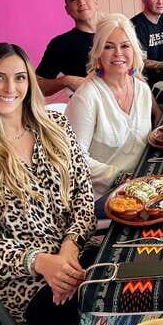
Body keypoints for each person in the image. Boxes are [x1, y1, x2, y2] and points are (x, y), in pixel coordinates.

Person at [0, 43, 96, 325]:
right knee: (121, 298)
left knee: (146, 269)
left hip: (76, 254)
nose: (10, 87)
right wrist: (42, 262)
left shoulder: (56, 126)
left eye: (20, 77)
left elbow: (83, 196)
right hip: (24, 284)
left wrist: (70, 248)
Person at [66, 14, 153, 202]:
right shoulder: (87, 97)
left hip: (141, 185)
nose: (118, 53)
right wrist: (120, 178)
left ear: (134, 50)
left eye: (125, 46)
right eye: (108, 47)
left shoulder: (142, 90)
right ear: (98, 53)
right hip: (102, 196)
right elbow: (74, 158)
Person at [36, 0, 99, 96]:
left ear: (95, 3)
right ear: (67, 10)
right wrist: (66, 81)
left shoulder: (114, 32)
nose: (81, 2)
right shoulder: (61, 44)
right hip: (88, 103)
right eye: (73, 0)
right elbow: (38, 86)